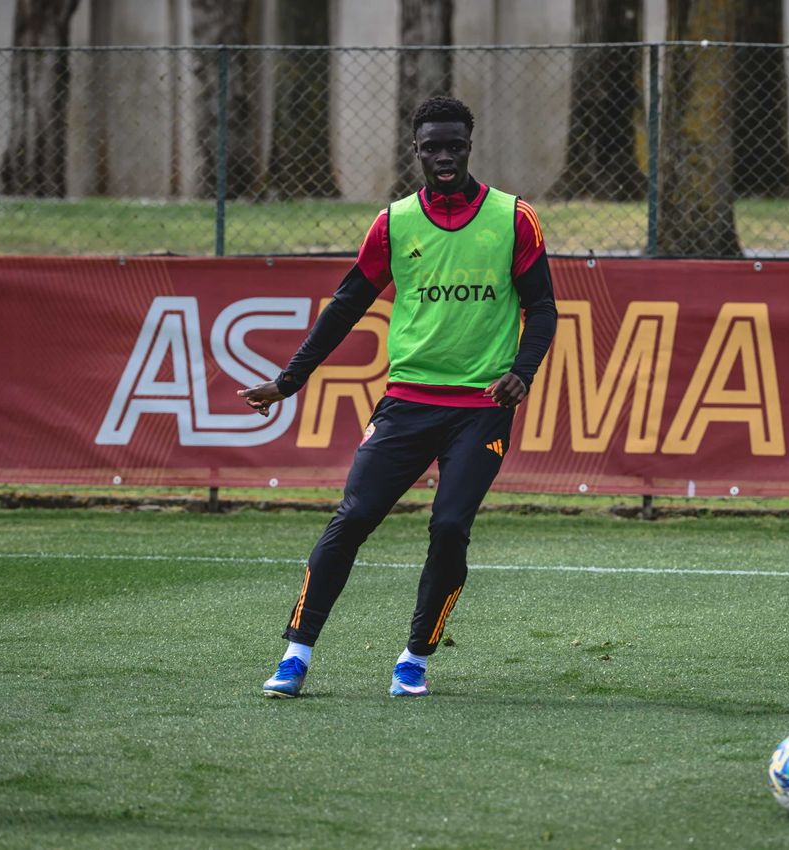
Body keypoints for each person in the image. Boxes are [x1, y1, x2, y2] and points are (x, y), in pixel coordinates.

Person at [238, 96, 557, 698]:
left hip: (481, 408)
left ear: (469, 144)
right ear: (416, 149)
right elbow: (347, 306)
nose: (443, 156)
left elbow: (542, 308)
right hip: (407, 403)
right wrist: (290, 379)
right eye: (431, 146)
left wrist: (524, 371)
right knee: (352, 517)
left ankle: (415, 657)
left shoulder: (514, 218)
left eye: (454, 145)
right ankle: (295, 654)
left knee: (449, 527)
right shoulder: (395, 222)